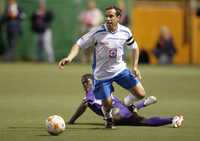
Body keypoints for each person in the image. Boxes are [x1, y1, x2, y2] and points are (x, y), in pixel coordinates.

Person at [59, 5, 146, 129]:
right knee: (108, 104)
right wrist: (69, 57)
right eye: (106, 16)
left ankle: (127, 102)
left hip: (120, 70)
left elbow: (135, 48)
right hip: (102, 75)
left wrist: (135, 67)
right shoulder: (97, 31)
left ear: (118, 18)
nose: (108, 19)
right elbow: (79, 44)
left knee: (141, 94)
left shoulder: (125, 31)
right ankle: (108, 117)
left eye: (111, 16)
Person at [68, 73, 184, 128]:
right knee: (137, 116)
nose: (85, 85)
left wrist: (71, 120)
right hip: (122, 109)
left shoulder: (90, 94)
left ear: (90, 83)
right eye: (84, 83)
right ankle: (141, 105)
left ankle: (173, 119)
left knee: (142, 121)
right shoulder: (102, 90)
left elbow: (83, 105)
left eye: (86, 82)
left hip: (119, 114)